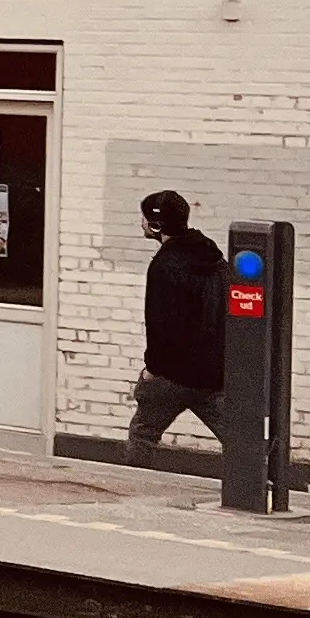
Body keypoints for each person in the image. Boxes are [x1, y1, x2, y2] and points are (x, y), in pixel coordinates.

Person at [128, 190, 230, 467]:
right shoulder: (215, 259)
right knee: (238, 436)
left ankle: (133, 489)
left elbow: (161, 323)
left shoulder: (165, 265)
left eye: (146, 218)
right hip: (213, 372)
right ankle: (260, 485)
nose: (142, 222)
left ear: (157, 226)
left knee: (143, 433)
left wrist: (152, 369)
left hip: (174, 374)